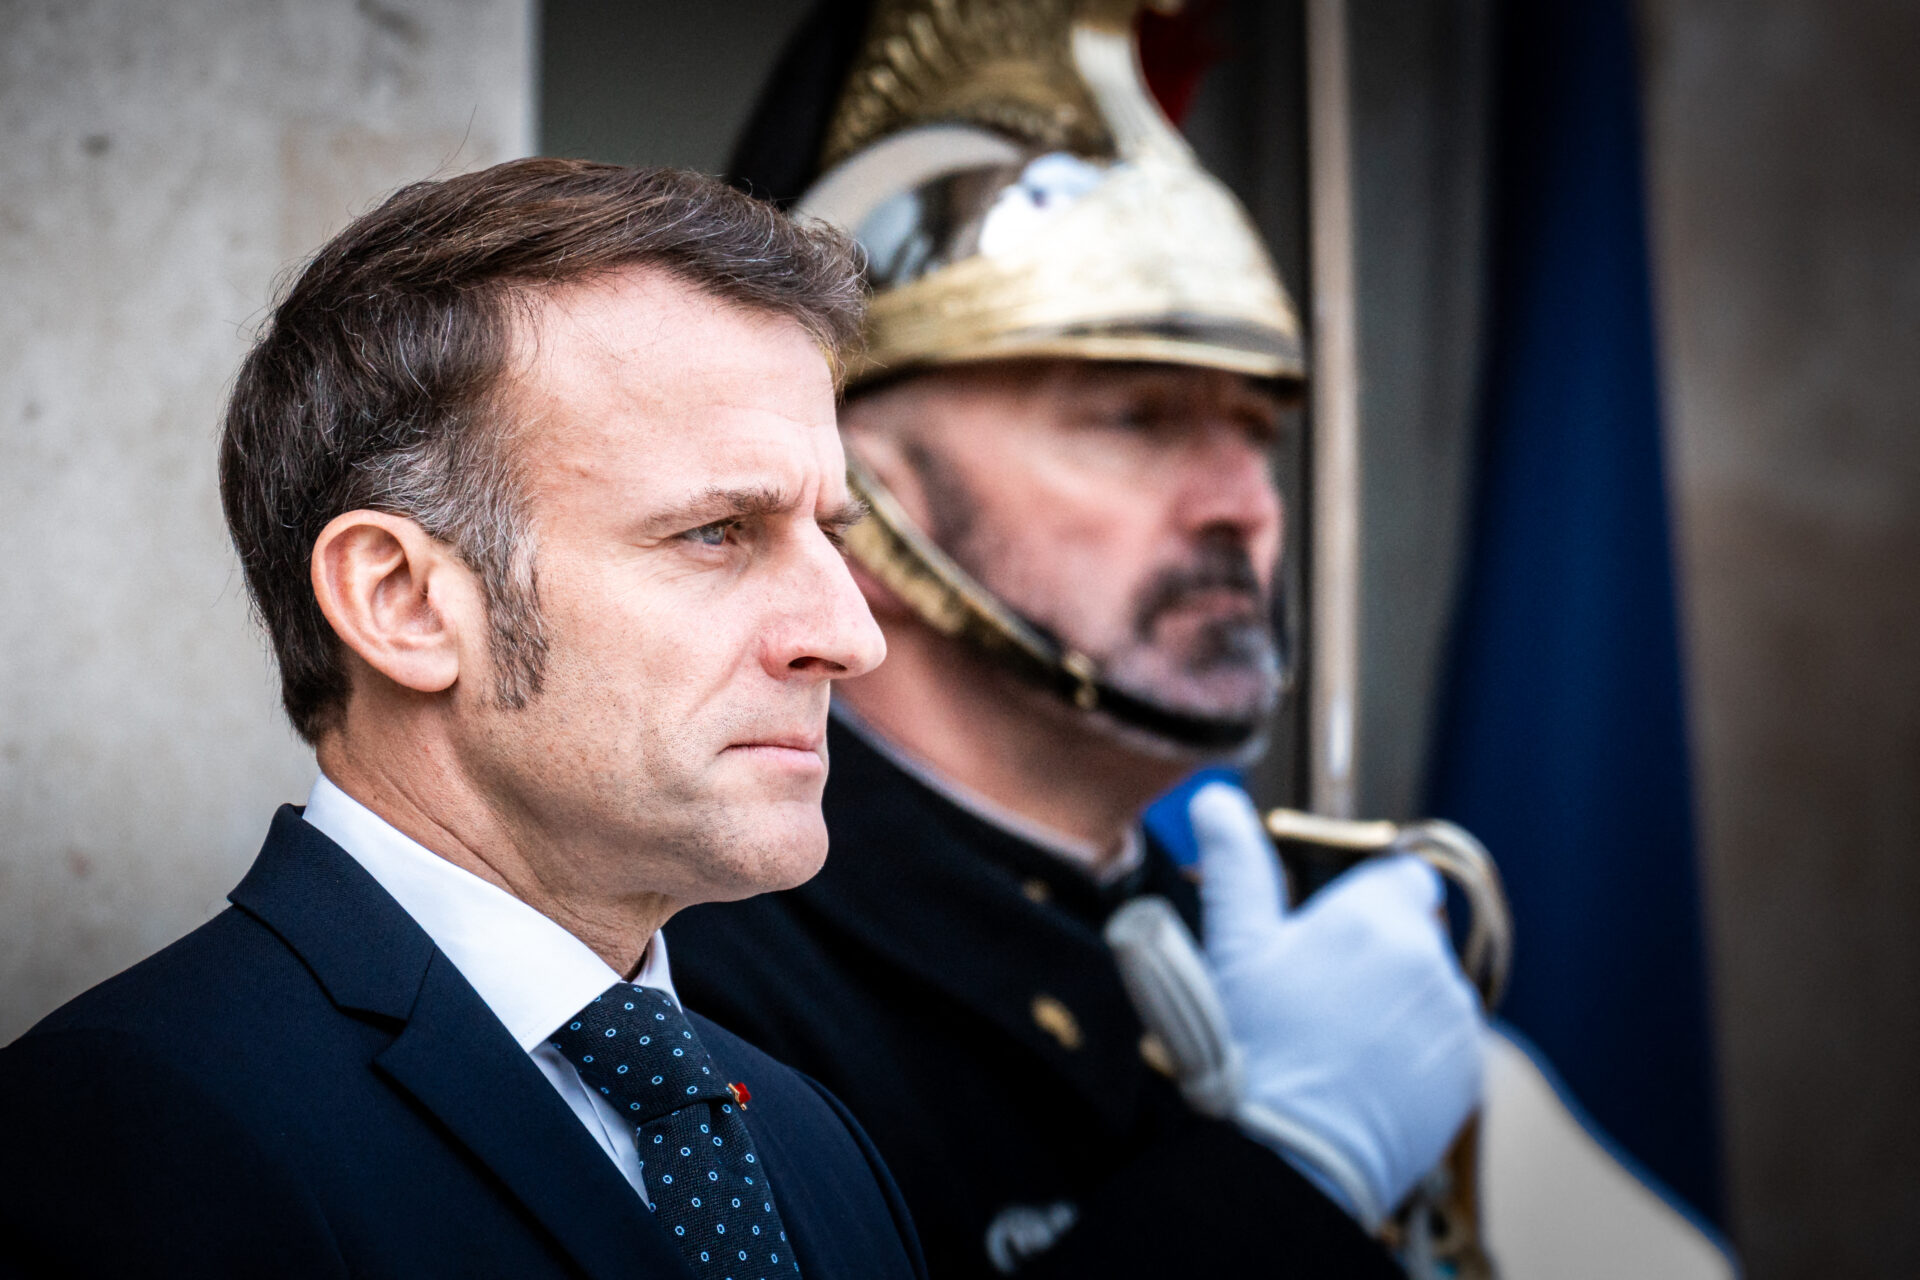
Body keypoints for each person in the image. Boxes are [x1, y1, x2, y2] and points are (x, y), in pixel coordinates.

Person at [0, 159, 926, 1280]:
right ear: (401, 601)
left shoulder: (814, 1146)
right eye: (717, 532)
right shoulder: (134, 1124)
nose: (848, 635)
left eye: (834, 533)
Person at [669, 3, 1483, 1276]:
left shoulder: (1226, 930)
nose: (1245, 504)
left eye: (1254, 430)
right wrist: (1288, 1173)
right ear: (854, 511)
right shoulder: (697, 976)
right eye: (1134, 418)